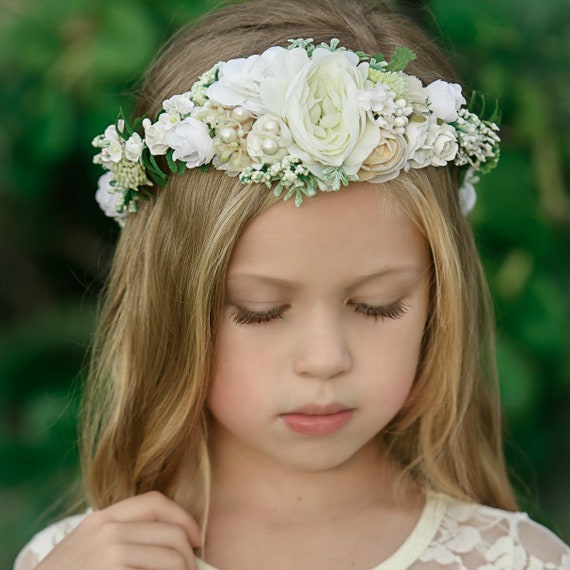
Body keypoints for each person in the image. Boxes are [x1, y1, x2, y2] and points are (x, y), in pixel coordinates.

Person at [14, 0, 570, 568]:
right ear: (168, 300)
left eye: (378, 307)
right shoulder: (76, 561)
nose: (324, 360)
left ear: (438, 298)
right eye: (260, 310)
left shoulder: (515, 559)